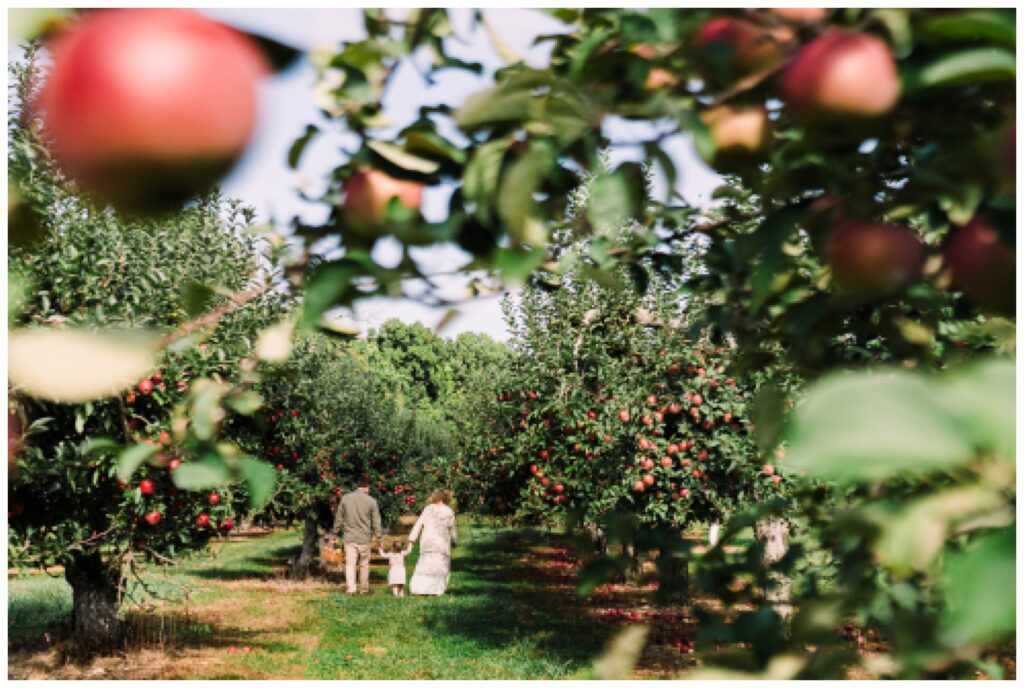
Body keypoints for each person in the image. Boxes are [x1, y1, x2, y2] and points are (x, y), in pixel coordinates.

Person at [334, 478, 382, 596]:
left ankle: (351, 589)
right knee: (364, 564)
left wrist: (335, 533)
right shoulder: (372, 501)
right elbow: (376, 522)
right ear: (367, 487)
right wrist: (379, 538)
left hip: (349, 537)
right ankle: (364, 589)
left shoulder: (345, 499)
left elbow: (339, 518)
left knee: (350, 564)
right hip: (364, 538)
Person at [407, 490, 458, 596]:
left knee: (425, 566)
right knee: (440, 566)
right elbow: (452, 529)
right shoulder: (449, 511)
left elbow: (418, 525)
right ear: (445, 498)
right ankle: (437, 590)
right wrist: (454, 541)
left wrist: (412, 539)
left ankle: (419, 589)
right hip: (442, 544)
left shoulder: (427, 509)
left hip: (427, 542)